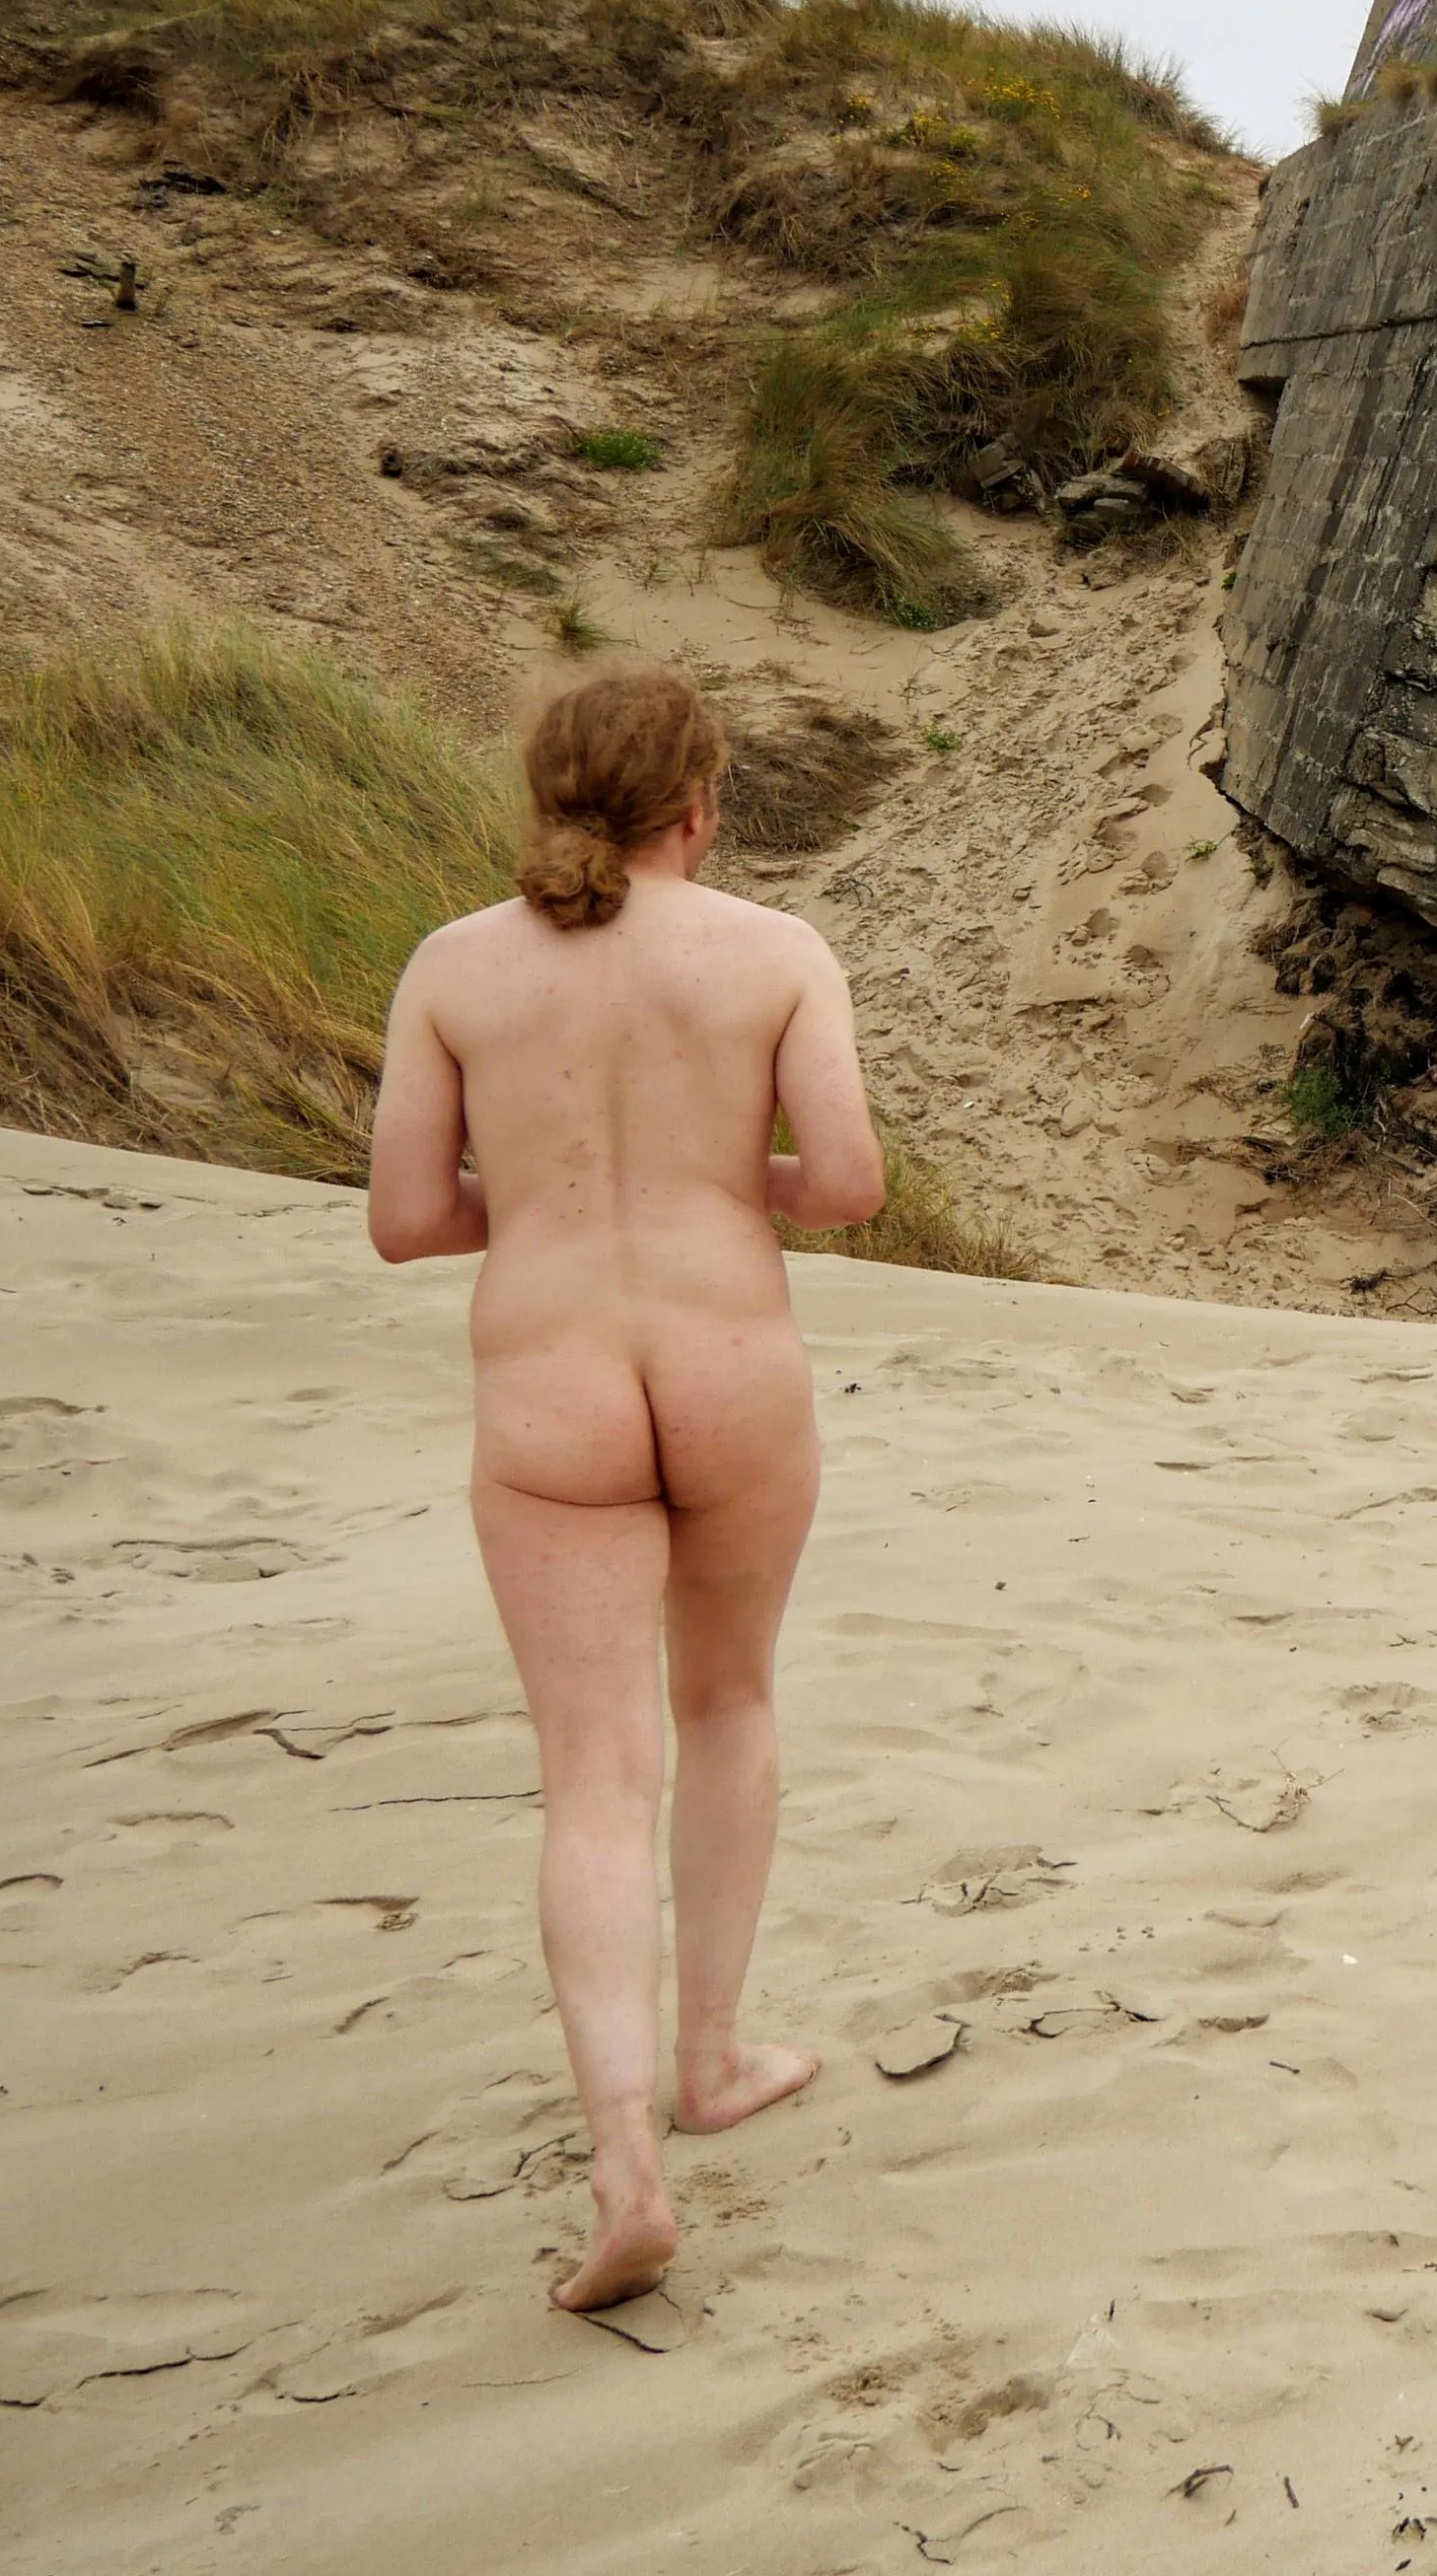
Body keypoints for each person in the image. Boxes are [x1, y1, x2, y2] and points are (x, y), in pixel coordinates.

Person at [366, 666, 886, 2311]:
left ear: (550, 800)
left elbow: (403, 1219)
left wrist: (543, 1200)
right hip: (732, 1371)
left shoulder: (453, 967)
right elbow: (852, 1188)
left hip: (552, 1386)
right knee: (726, 1705)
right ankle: (716, 2060)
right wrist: (722, 1175)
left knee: (595, 1774)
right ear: (700, 805)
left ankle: (624, 2170)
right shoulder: (776, 954)